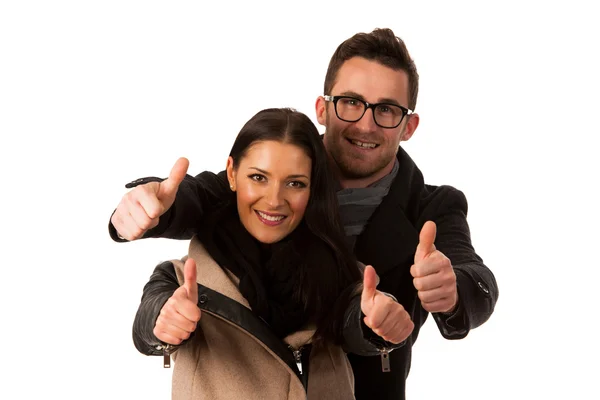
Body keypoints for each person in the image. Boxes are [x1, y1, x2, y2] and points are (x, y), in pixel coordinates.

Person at [113, 29, 499, 399]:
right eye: (351, 102)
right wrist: (147, 207)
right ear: (323, 108)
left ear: (409, 126)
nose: (365, 123)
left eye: (386, 109)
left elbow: (475, 280)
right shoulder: (271, 174)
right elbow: (196, 197)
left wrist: (451, 292)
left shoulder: (435, 207)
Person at [131, 108, 414, 400]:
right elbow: (146, 326)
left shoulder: (340, 270)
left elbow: (355, 320)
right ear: (232, 173)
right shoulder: (181, 277)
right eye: (258, 177)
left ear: (312, 188)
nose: (274, 200)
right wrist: (163, 321)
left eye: (295, 183)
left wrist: (379, 322)